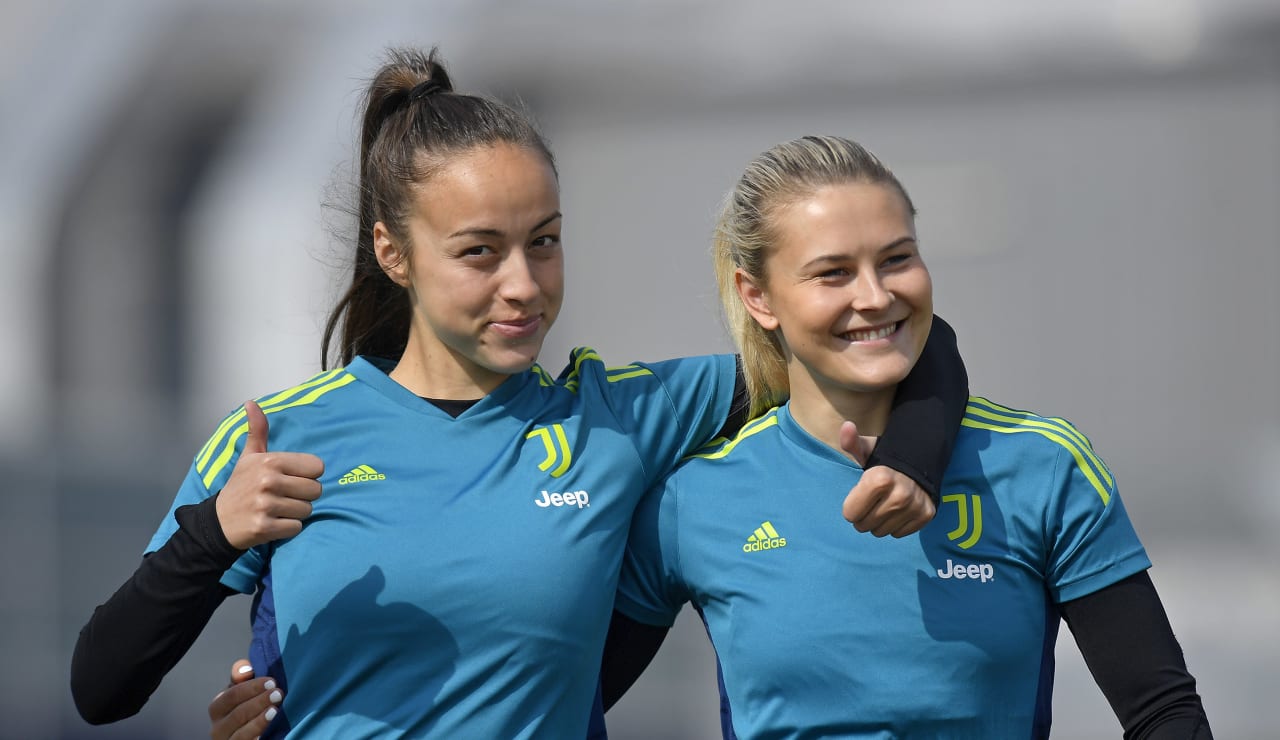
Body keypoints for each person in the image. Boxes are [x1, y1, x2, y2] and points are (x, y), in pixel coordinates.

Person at [70, 51, 968, 738]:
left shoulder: (619, 415)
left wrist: (914, 459)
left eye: (543, 241)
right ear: (394, 255)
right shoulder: (281, 435)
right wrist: (212, 535)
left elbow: (886, 341)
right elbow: (100, 687)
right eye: (479, 251)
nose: (523, 283)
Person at [602, 136, 1213, 738]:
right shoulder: (696, 497)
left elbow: (1165, 715)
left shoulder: (1044, 466)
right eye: (833, 273)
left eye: (896, 259)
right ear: (757, 296)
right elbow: (555, 706)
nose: (875, 296)